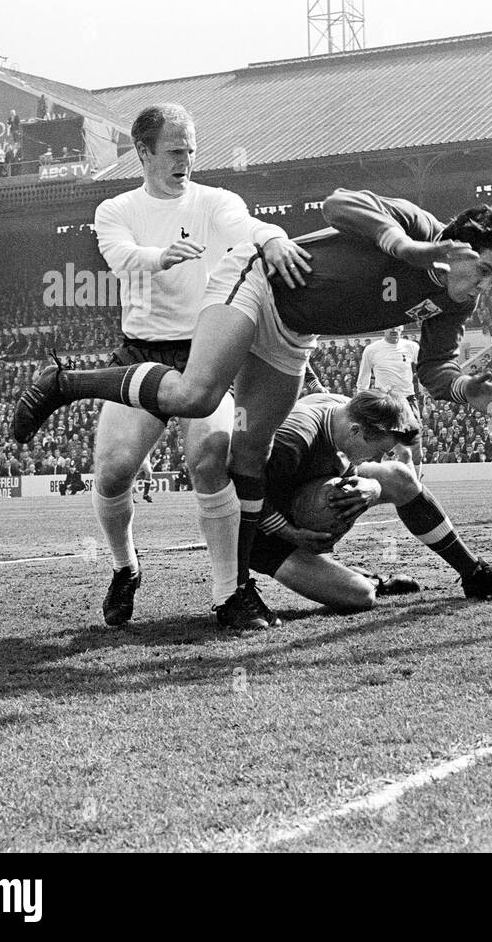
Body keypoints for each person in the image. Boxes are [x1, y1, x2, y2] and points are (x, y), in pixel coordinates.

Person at [12, 187, 492, 630]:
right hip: (258, 280)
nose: (484, 285)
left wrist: (465, 390)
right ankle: (66, 381)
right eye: (482, 269)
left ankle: (235, 594)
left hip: (296, 332)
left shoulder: (458, 303)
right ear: (457, 244)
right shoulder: (418, 227)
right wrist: (408, 247)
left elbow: (436, 372)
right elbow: (337, 203)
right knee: (198, 395)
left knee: (250, 453)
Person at [81, 104, 312, 630]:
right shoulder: (115, 209)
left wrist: (272, 234)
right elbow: (121, 255)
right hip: (143, 354)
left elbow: (243, 226)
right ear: (142, 152)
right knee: (114, 472)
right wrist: (162, 256)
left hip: (208, 349)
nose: (185, 160)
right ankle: (125, 567)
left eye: (190, 150)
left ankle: (230, 595)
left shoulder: (216, 201)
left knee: (209, 460)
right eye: (173, 151)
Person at [245, 389, 492, 621]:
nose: (380, 458)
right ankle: (368, 581)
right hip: (255, 531)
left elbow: (342, 463)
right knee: (359, 596)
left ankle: (475, 574)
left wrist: (373, 486)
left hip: (300, 488)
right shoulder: (292, 438)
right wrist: (289, 533)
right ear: (357, 432)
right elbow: (240, 489)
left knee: (398, 476)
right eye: (380, 451)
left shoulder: (345, 414)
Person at [356, 325, 422, 472]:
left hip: (408, 401)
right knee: (379, 449)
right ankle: (374, 485)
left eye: (397, 326)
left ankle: (417, 488)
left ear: (402, 328)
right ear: (384, 328)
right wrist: (362, 404)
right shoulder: (372, 350)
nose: (393, 329)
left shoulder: (411, 347)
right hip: (385, 403)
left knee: (416, 451)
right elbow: (363, 380)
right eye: (390, 327)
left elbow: (425, 368)